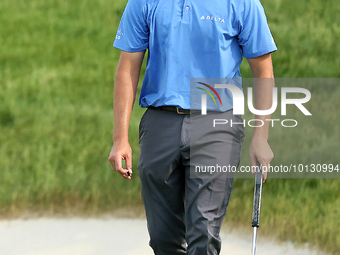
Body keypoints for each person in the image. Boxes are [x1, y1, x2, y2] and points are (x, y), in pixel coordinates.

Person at [109, 0, 276, 254]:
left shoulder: (243, 3)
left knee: (204, 233)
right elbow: (127, 68)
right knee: (163, 238)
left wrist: (261, 137)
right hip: (160, 122)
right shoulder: (144, 2)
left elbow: (263, 72)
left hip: (218, 123)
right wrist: (120, 138)